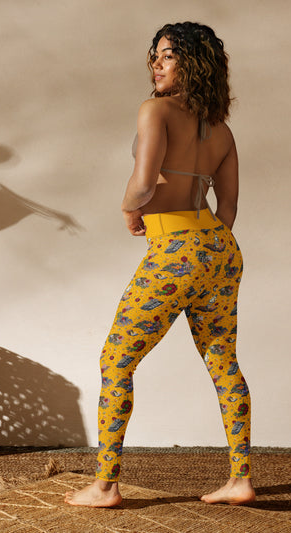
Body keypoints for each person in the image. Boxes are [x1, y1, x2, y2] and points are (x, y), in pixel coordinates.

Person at [65, 21, 254, 508]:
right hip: (219, 249)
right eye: (155, 55)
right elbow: (229, 208)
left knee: (116, 360)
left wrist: (131, 211)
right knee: (223, 361)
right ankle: (240, 480)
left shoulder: (155, 110)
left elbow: (144, 182)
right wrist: (202, 245)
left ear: (193, 63)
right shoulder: (223, 131)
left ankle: (105, 485)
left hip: (174, 250)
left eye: (168, 55)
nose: (156, 63)